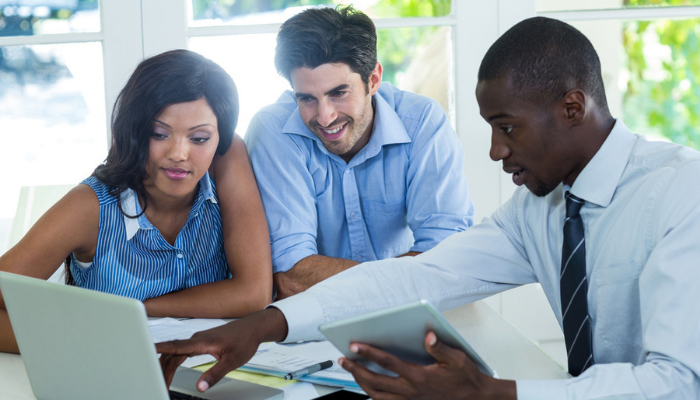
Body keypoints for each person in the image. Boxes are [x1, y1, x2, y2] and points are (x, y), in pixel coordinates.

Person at [157, 16, 700, 399]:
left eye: (506, 127)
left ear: (572, 108)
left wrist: (494, 394)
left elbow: (679, 383)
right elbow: (418, 277)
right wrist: (267, 323)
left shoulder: (683, 192)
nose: (495, 152)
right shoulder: (537, 208)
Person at [0, 49, 273, 354]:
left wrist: (136, 309)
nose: (179, 154)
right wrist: (80, 338)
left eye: (199, 139)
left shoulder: (225, 155)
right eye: (159, 134)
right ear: (134, 130)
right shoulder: (89, 206)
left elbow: (254, 293)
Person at [244, 5, 475, 299]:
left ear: (374, 80)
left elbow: (447, 262)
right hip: (316, 322)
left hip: (408, 313)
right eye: (307, 99)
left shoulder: (422, 123)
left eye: (339, 93)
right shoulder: (274, 131)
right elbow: (292, 277)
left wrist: (332, 277)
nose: (325, 117)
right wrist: (408, 276)